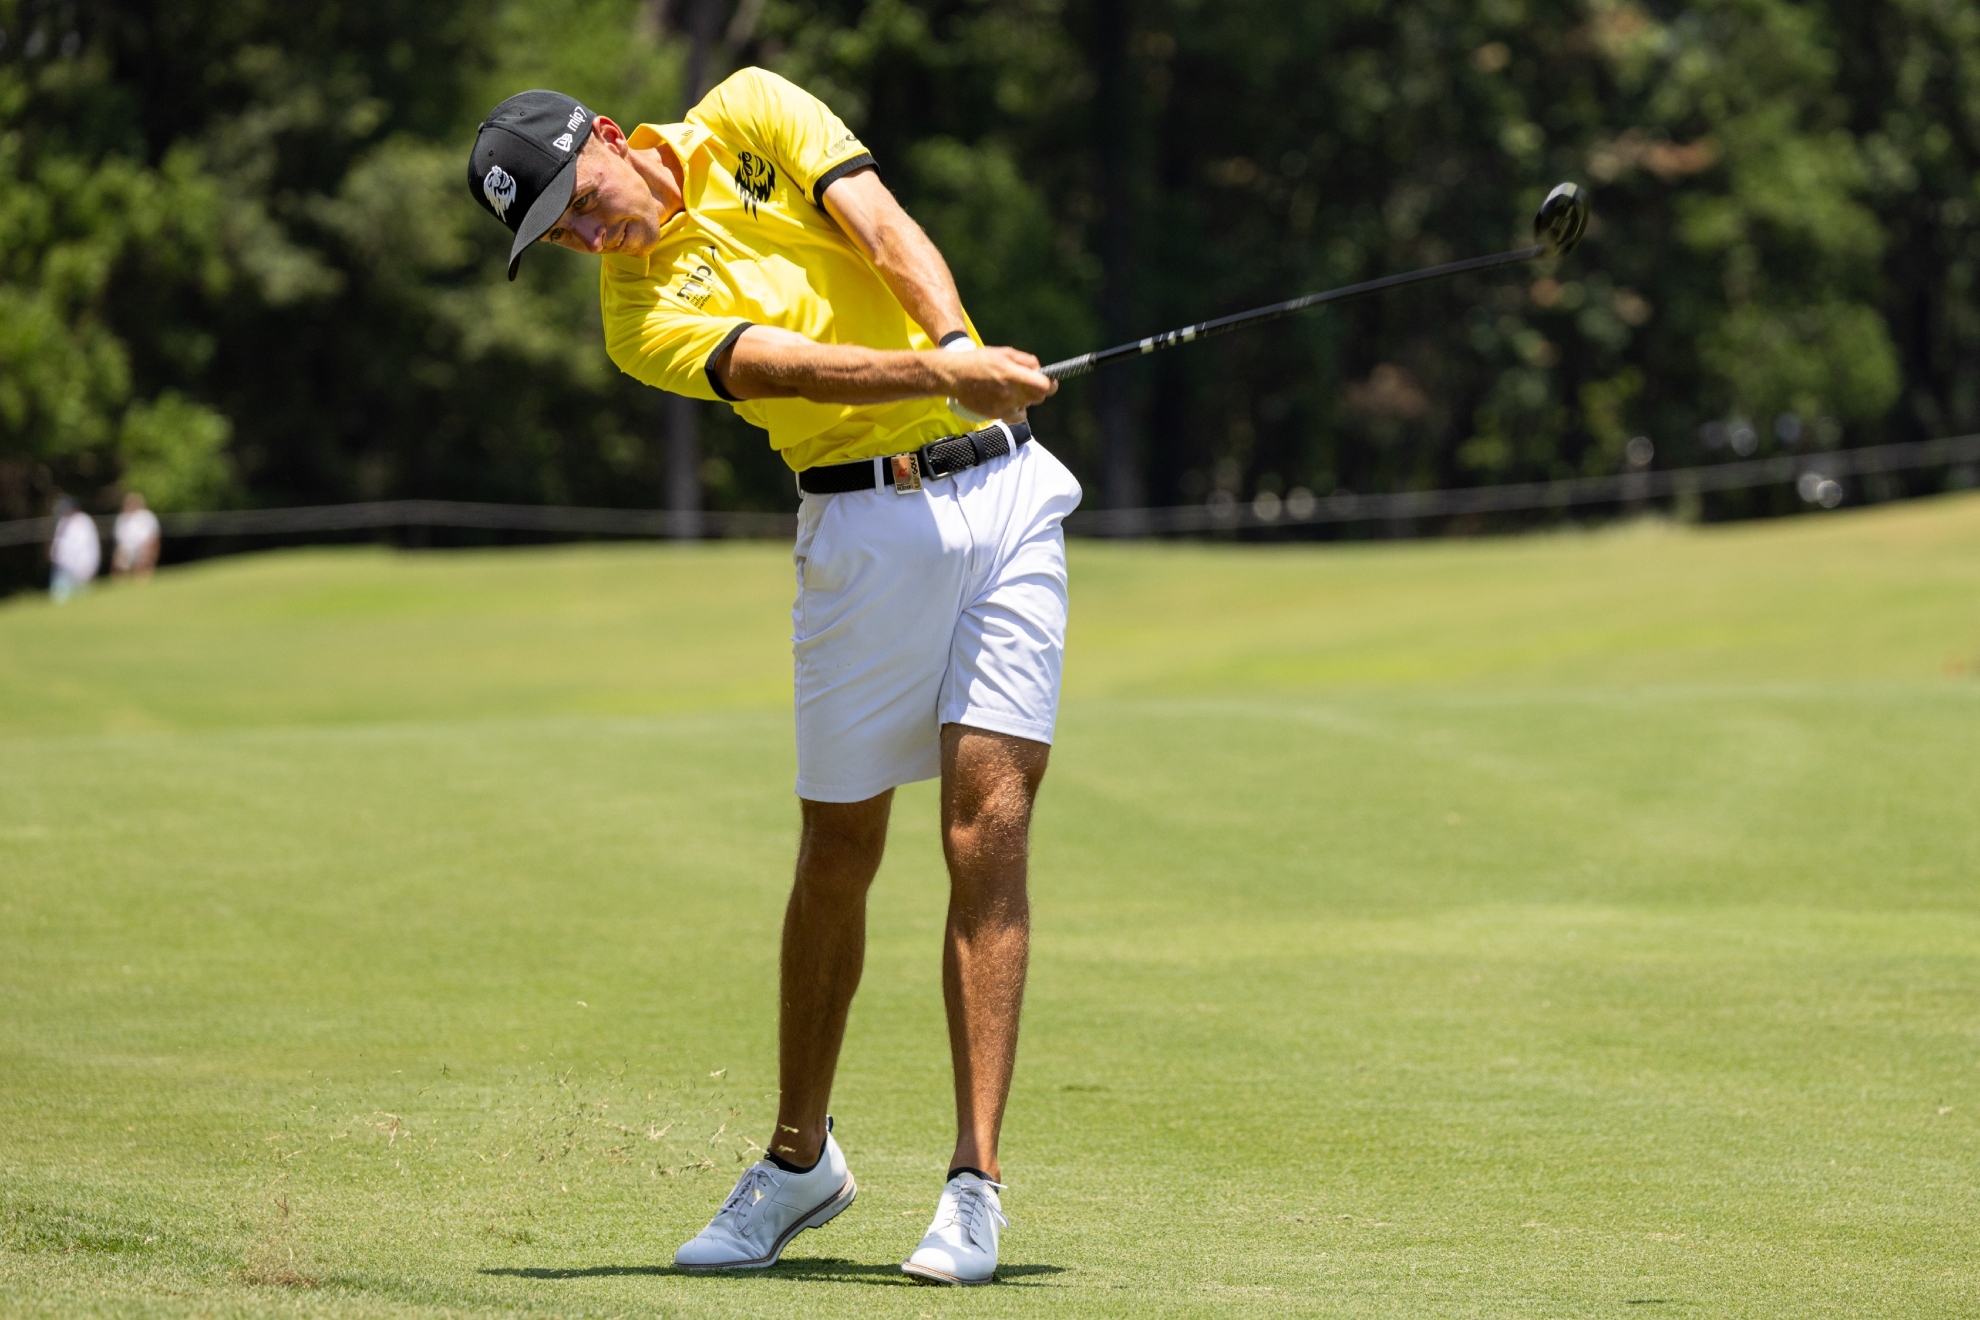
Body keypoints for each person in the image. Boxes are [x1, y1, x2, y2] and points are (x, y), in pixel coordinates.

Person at [468, 70, 1075, 1285]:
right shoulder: (637, 320)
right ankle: (803, 1163)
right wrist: (937, 376)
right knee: (839, 853)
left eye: (578, 203)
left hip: (1007, 499)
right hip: (859, 538)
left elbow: (882, 224)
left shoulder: (749, 107)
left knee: (987, 832)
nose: (589, 237)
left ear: (606, 138)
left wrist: (956, 347)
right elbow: (790, 367)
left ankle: (974, 1188)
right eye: (559, 237)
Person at [47, 498, 101, 603]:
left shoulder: (83, 522)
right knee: (59, 601)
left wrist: (88, 567)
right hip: (63, 569)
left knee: (83, 601)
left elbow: (88, 547)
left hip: (81, 569)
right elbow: (59, 544)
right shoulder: (63, 522)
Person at [112, 492, 162, 581]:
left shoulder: (146, 516)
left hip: (143, 546)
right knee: (121, 559)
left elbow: (152, 535)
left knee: (144, 555)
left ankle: (142, 578)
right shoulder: (122, 518)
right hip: (126, 548)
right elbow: (119, 538)